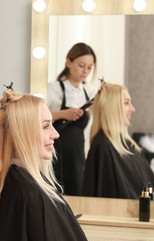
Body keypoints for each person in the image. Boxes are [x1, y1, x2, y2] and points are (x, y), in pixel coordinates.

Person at [0, 90, 98, 241]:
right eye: (45, 126)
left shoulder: (15, 180)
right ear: (22, 132)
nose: (56, 133)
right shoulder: (33, 194)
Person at [82, 83, 154, 199]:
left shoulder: (128, 144)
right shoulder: (103, 147)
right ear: (112, 107)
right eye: (127, 103)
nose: (133, 109)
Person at [48, 42, 98, 195]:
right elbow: (35, 117)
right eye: (81, 65)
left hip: (78, 154)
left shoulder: (90, 92)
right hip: (54, 151)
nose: (85, 71)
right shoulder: (53, 89)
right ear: (68, 62)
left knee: (77, 190)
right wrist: (62, 114)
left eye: (89, 67)